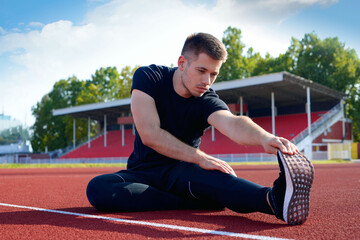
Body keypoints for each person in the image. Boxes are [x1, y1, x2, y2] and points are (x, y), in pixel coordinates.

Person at [86, 32, 314, 225]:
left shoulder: (205, 98)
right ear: (182, 63)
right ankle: (191, 200)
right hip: (142, 173)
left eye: (213, 74)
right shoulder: (149, 77)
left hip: (183, 173)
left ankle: (275, 200)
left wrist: (265, 138)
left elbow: (233, 122)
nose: (207, 81)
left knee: (217, 178)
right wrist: (200, 157)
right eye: (202, 70)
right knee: (98, 189)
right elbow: (150, 135)